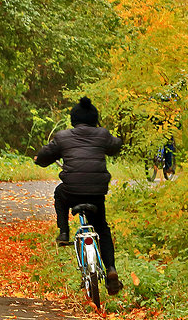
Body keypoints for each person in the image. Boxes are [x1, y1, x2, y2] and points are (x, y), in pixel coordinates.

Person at [34, 97, 124, 294]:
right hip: (96, 193)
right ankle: (111, 269)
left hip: (72, 193)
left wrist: (38, 159)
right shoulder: (102, 135)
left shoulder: (64, 137)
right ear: (95, 119)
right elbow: (116, 146)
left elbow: (43, 157)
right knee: (102, 228)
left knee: (59, 192)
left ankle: (64, 232)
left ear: (73, 119)